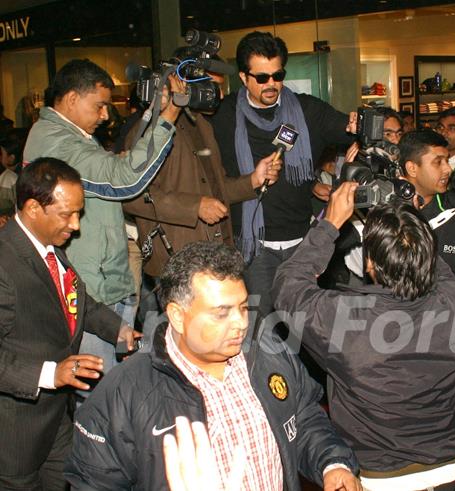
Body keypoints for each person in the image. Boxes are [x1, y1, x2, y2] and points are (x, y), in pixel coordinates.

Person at [65, 241, 360, 491]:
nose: (241, 324)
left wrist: (332, 462)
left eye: (244, 307)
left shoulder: (266, 350)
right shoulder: (123, 396)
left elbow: (303, 414)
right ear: (178, 316)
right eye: (222, 313)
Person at [273, 186, 455, 490]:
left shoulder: (346, 320)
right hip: (446, 466)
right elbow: (438, 267)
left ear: (370, 265)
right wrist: (407, 219)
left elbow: (289, 288)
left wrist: (330, 223)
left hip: (378, 473)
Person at [22, 58, 183, 388]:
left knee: (111, 390)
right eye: (99, 106)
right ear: (71, 99)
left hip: (98, 283)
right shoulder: (60, 143)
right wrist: (169, 117)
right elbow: (125, 181)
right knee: (102, 396)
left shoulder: (65, 135)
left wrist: (153, 115)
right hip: (92, 292)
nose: (106, 115)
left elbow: (108, 176)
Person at [0, 158, 137, 490]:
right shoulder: (5, 263)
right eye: (67, 214)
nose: (75, 226)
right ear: (33, 208)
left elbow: (79, 303)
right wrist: (51, 373)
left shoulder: (48, 249)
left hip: (55, 417)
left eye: (79, 213)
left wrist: (119, 329)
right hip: (14, 430)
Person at [211, 31, 356, 320]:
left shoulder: (307, 110)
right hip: (254, 250)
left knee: (303, 330)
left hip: (302, 244)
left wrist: (359, 130)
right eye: (262, 78)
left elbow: (352, 128)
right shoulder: (223, 115)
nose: (272, 84)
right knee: (260, 333)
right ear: (243, 77)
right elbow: (206, 180)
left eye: (278, 75)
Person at [122, 49, 281, 279]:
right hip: (177, 263)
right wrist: (194, 207)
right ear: (181, 83)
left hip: (214, 256)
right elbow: (131, 197)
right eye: (209, 87)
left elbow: (216, 189)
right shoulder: (150, 130)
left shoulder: (202, 126)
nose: (216, 95)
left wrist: (253, 180)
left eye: (219, 87)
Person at [400, 129, 455, 280]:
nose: (448, 169)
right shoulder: (389, 210)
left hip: (446, 300)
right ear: (412, 168)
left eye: (447, 160)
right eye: (438, 162)